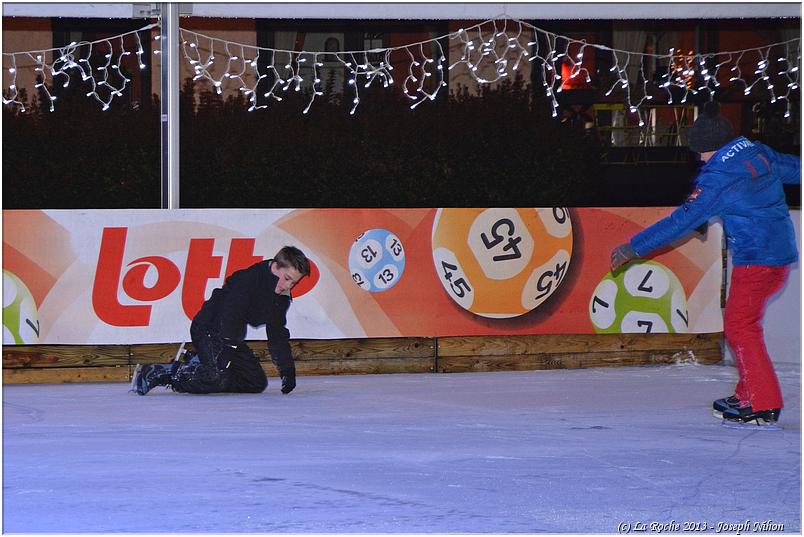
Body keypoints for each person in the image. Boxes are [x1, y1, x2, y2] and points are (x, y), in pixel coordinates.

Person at [610, 101, 800, 428]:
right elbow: (796, 169)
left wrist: (634, 247)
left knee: (741, 328)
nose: (699, 158)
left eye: (701, 152)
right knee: (744, 326)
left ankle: (763, 403)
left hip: (757, 262)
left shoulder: (719, 178)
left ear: (712, 147)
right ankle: (747, 392)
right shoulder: (758, 153)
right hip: (777, 257)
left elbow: (682, 220)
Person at [132, 245, 311, 396]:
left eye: (293, 283)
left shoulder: (281, 296)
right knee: (216, 376)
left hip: (231, 337)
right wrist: (228, 348)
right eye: (287, 279)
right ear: (275, 266)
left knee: (254, 382)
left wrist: (287, 370)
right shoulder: (247, 279)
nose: (288, 286)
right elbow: (231, 314)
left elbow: (277, 332)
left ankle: (200, 365)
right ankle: (164, 373)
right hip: (208, 328)